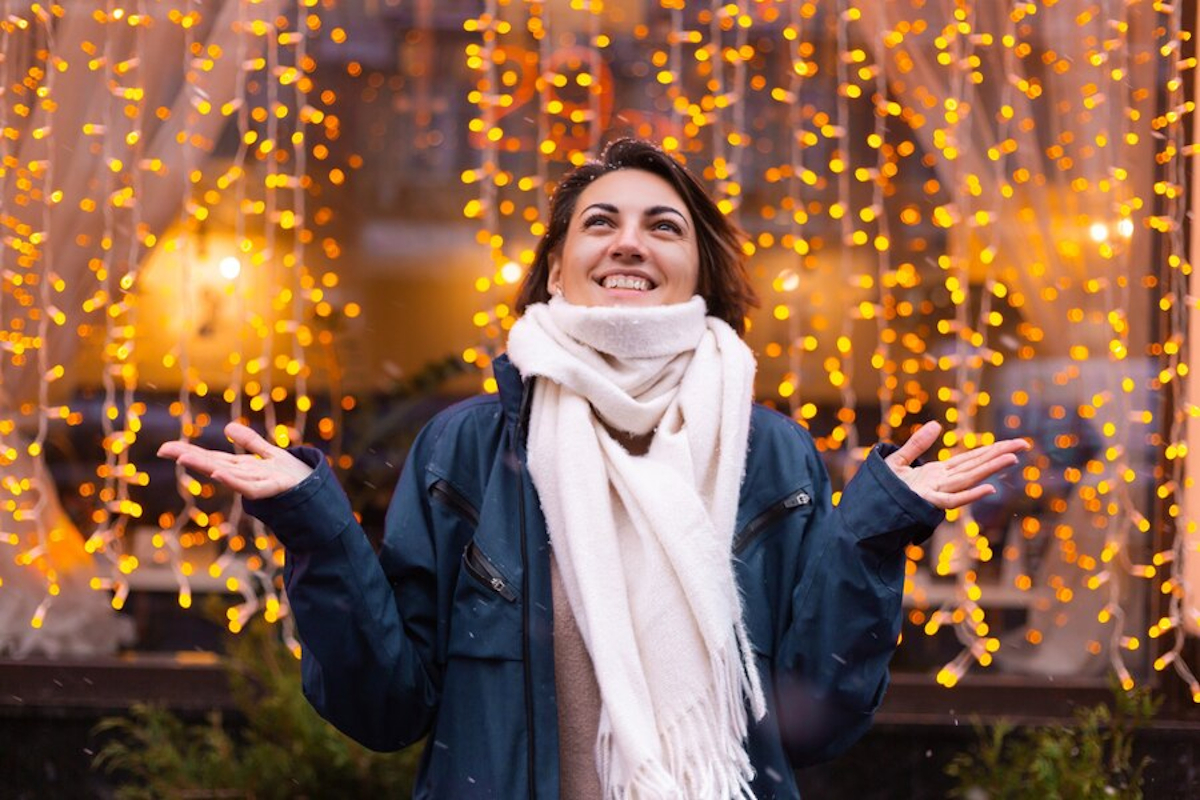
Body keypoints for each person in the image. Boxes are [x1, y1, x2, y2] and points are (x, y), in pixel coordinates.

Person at [159, 138, 1028, 800]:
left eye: (663, 225)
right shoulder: (467, 447)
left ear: (701, 271)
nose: (629, 243)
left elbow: (812, 716)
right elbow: (386, 707)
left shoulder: (769, 453)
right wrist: (316, 526)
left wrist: (873, 532)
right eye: (600, 222)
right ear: (555, 267)